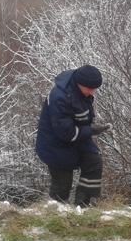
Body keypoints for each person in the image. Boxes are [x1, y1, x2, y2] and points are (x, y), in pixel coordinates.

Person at [36, 65, 111, 206]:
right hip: (55, 147)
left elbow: (82, 120)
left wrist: (90, 128)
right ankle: (55, 213)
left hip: (77, 140)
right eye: (90, 88)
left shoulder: (82, 93)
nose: (92, 92)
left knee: (94, 162)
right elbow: (66, 133)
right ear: (79, 83)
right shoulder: (60, 97)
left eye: (94, 89)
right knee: (62, 186)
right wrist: (92, 130)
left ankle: (83, 206)